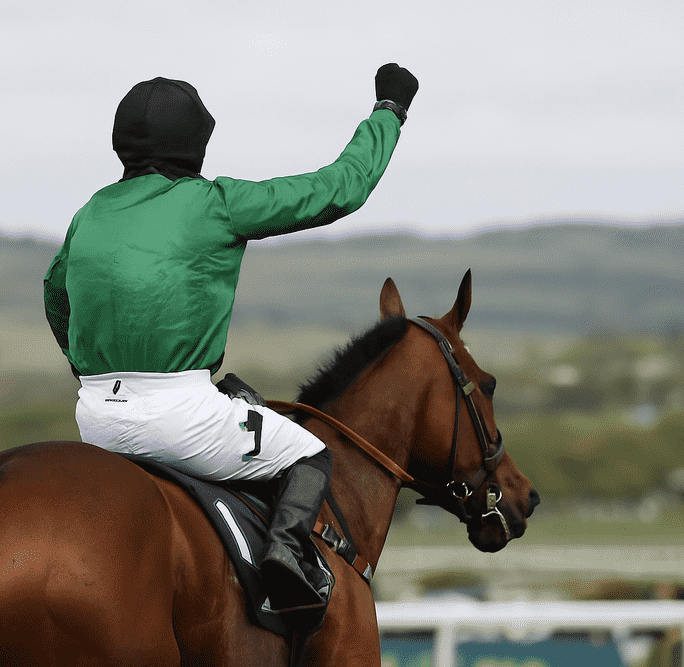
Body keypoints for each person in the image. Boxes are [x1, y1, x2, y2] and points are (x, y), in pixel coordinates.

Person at [44, 64, 418, 613]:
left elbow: (56, 295)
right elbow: (341, 188)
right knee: (310, 456)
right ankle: (285, 560)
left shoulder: (90, 212)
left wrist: (91, 371)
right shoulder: (214, 201)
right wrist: (390, 112)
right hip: (179, 417)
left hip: (95, 417)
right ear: (196, 142)